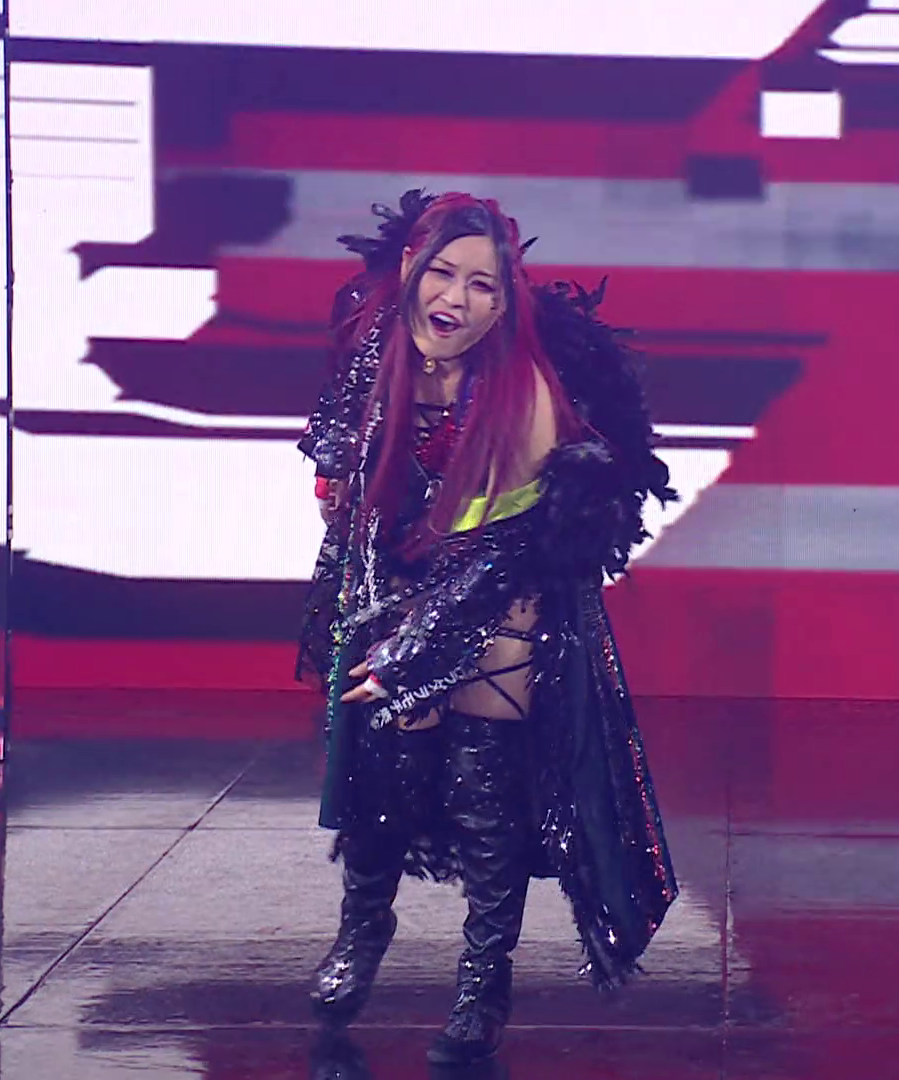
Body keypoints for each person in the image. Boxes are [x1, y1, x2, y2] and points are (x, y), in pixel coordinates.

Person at [297, 190, 677, 1067]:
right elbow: (338, 460)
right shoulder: (373, 350)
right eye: (443, 273)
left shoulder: (523, 392)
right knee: (382, 762)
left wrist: (417, 655)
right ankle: (364, 924)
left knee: (483, 783)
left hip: (505, 580)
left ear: (505, 304)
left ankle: (483, 976)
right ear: (409, 270)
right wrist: (347, 506)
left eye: (482, 285)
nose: (457, 299)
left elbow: (501, 553)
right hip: (400, 571)